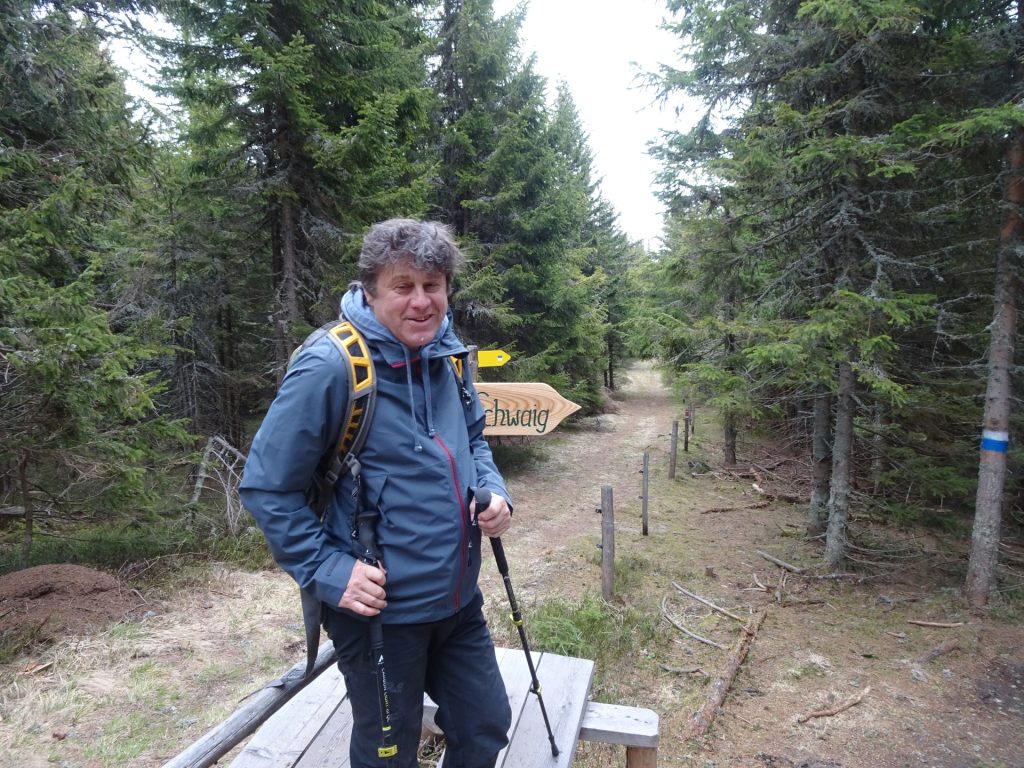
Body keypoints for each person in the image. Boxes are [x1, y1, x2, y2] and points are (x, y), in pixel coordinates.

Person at [239, 218, 514, 768]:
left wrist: (492, 490)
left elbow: (474, 439)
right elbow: (267, 487)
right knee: (389, 752)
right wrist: (330, 572)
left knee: (485, 725)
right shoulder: (331, 365)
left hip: (457, 600)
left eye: (432, 286)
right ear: (370, 291)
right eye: (403, 286)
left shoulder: (449, 354)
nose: (421, 302)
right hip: (380, 614)